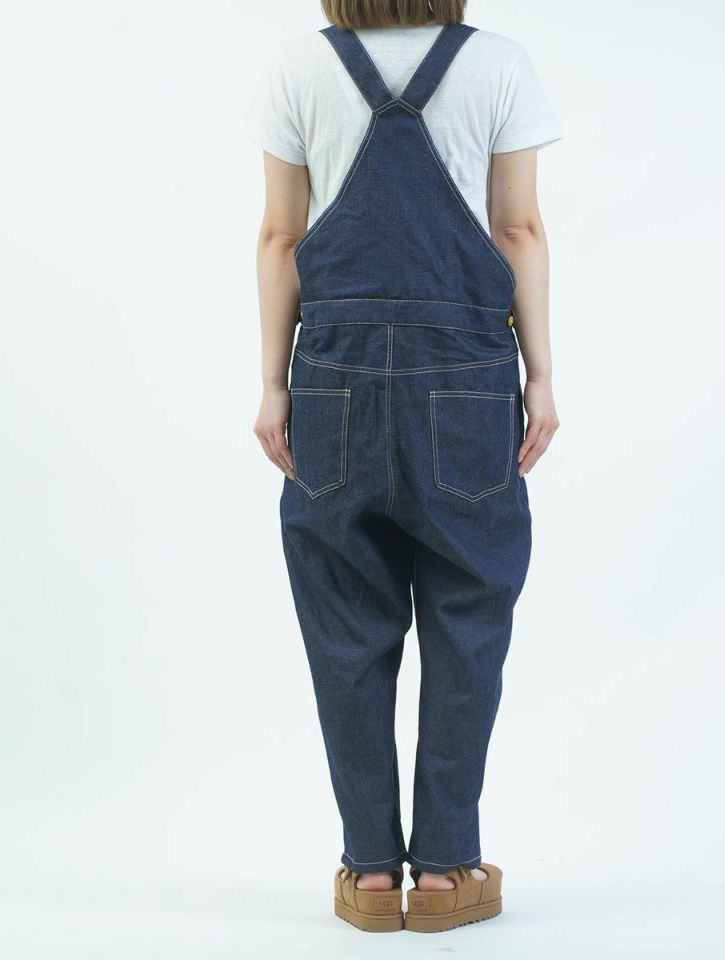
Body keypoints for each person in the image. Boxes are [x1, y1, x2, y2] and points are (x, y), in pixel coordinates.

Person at [242, 0, 561, 933]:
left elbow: (281, 238)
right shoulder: (499, 64)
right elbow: (518, 230)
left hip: (332, 376)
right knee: (469, 616)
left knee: (346, 622)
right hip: (466, 380)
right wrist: (540, 376)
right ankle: (449, 869)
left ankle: (372, 872)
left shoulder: (298, 68)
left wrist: (274, 383)